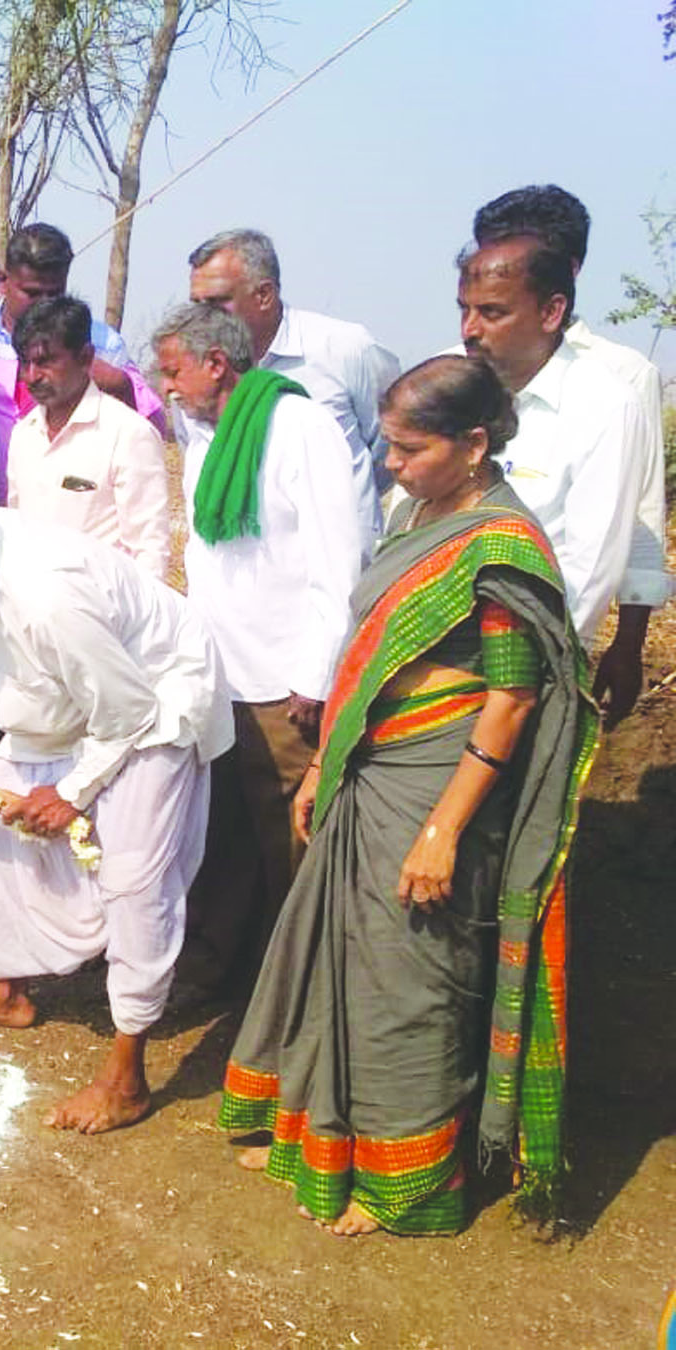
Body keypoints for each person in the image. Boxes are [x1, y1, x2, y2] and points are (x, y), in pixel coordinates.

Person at [219, 356, 596, 1237]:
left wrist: (442, 831)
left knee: (410, 981)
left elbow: (509, 702)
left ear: (473, 445)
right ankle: (322, 1138)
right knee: (339, 961)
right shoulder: (416, 512)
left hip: (439, 789)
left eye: (409, 448)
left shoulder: (502, 546)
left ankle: (409, 1182)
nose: (392, 464)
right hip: (371, 770)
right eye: (388, 446)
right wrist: (323, 764)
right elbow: (369, 653)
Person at [0, 470, 231, 1132]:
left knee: (133, 880)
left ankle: (127, 1076)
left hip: (154, 700)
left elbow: (127, 710)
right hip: (65, 699)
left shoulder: (45, 594)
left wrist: (71, 791)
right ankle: (8, 993)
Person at [151, 302, 366, 998]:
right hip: (221, 675)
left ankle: (296, 993)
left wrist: (317, 676)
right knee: (222, 841)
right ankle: (218, 970)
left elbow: (339, 561)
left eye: (176, 371)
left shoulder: (300, 425)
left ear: (218, 364)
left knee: (290, 849)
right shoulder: (204, 432)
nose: (168, 386)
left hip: (286, 686)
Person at [471, 185, 668, 727]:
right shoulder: (460, 368)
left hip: (538, 650)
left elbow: (639, 521)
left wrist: (627, 645)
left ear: (565, 274)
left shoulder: (620, 382)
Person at [455, 235, 650, 659]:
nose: (469, 329)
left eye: (491, 312)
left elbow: (589, 572)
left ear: (551, 312)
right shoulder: (449, 386)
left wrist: (521, 679)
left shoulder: (603, 405)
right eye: (464, 309)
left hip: (528, 666)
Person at [187, 228, 397, 518]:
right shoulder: (193, 375)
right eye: (195, 304)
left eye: (216, 303)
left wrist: (339, 499)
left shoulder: (345, 350)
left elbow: (390, 447)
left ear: (263, 295)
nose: (201, 318)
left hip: (343, 553)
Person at [0, 223, 164, 492]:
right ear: (3, 281)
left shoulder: (103, 344)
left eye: (55, 293)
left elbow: (148, 427)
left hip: (70, 511)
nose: (44, 304)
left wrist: (112, 381)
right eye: (32, 293)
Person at [5, 295, 171, 580]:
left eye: (45, 361)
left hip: (104, 614)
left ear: (85, 358)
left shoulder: (128, 434)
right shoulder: (24, 434)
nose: (32, 376)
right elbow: (16, 531)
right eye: (25, 362)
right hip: (30, 609)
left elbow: (150, 552)